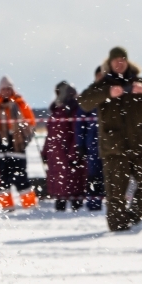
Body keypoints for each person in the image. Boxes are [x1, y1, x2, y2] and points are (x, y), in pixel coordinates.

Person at [78, 46, 142, 232]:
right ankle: (118, 227)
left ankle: (135, 218)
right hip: (114, 149)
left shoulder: (138, 82)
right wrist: (107, 93)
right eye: (115, 60)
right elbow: (84, 101)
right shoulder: (103, 85)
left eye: (122, 59)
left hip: (140, 147)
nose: (119, 63)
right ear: (109, 63)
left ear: (127, 62)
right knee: (116, 194)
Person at [0, 77, 37, 210]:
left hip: (17, 145)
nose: (6, 91)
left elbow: (31, 123)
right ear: (0, 90)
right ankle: (6, 206)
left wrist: (24, 138)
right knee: (2, 178)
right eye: (3, 89)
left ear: (12, 89)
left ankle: (29, 205)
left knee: (20, 175)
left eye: (8, 88)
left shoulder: (21, 104)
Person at [43, 81, 87, 211]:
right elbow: (50, 134)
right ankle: (60, 207)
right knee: (59, 183)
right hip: (56, 154)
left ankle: (76, 209)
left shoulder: (74, 110)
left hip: (67, 154)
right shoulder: (56, 110)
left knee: (73, 183)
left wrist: (74, 153)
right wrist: (45, 151)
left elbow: (77, 134)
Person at [76, 66, 106, 211]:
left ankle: (113, 206)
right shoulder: (89, 95)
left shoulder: (115, 93)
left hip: (112, 143)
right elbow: (80, 123)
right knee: (94, 176)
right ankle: (94, 205)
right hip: (93, 144)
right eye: (99, 76)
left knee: (114, 175)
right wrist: (80, 144)